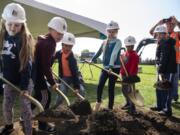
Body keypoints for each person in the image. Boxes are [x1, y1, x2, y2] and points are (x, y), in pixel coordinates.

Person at [0, 3, 35, 135]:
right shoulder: (2, 36)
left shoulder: (24, 39)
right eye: (10, 24)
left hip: (23, 81)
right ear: (5, 22)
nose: (13, 28)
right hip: (9, 81)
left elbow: (27, 65)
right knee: (6, 105)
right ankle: (9, 126)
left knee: (25, 107)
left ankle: (29, 130)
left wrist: (25, 87)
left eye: (17, 25)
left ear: (22, 25)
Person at [33, 17, 67, 133]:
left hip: (35, 73)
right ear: (50, 29)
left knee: (39, 96)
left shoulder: (45, 39)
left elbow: (45, 62)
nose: (60, 36)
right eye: (58, 33)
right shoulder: (50, 44)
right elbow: (45, 67)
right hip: (37, 74)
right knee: (46, 97)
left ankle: (24, 115)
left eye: (62, 35)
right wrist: (52, 83)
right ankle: (42, 125)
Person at [91, 20, 122, 111]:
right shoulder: (104, 42)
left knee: (110, 88)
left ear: (116, 32)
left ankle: (110, 107)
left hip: (114, 68)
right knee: (100, 85)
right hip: (105, 68)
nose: (111, 34)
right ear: (107, 32)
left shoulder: (118, 42)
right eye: (109, 31)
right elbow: (99, 51)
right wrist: (92, 59)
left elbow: (114, 54)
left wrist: (111, 66)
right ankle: (98, 102)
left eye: (113, 32)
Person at [150, 16, 180, 102]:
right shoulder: (161, 33)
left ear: (174, 25)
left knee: (173, 81)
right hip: (162, 63)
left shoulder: (177, 34)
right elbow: (151, 32)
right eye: (168, 24)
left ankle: (173, 98)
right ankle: (164, 102)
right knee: (162, 81)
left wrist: (177, 22)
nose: (170, 25)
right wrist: (158, 24)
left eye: (172, 24)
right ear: (165, 25)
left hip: (175, 61)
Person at [151, 25, 176, 116]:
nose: (156, 37)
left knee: (165, 88)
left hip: (167, 70)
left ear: (163, 34)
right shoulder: (162, 42)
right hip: (163, 68)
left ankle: (167, 109)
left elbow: (164, 58)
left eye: (158, 35)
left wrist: (160, 70)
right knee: (159, 87)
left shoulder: (166, 43)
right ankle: (160, 106)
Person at [54, 32, 85, 107]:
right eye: (66, 46)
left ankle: (79, 107)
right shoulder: (59, 53)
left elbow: (75, 74)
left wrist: (76, 87)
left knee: (81, 91)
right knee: (62, 92)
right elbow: (51, 59)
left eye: (70, 46)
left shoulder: (72, 59)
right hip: (64, 77)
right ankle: (56, 108)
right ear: (62, 44)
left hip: (74, 76)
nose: (68, 48)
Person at [120, 36, 139, 115]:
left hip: (131, 76)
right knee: (124, 90)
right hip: (124, 75)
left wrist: (130, 76)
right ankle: (128, 103)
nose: (129, 47)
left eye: (130, 46)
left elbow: (133, 66)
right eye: (127, 46)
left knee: (131, 91)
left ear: (133, 46)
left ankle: (133, 108)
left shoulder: (135, 55)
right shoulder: (124, 54)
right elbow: (122, 64)